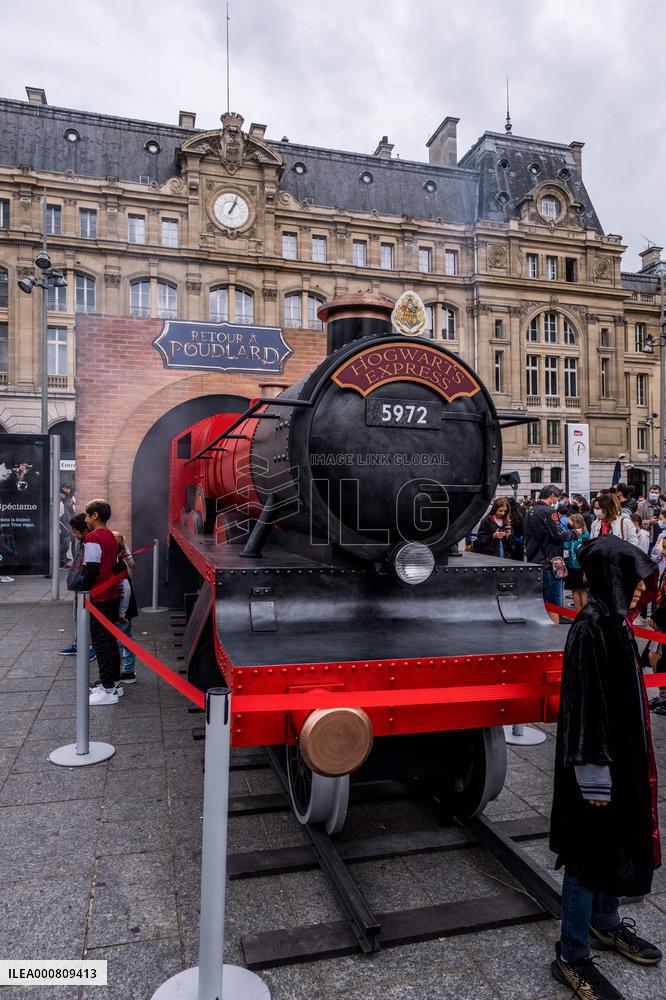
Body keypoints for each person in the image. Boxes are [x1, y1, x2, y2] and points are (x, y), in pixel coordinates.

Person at [550, 536, 662, 1000]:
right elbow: (583, 707)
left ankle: (606, 921)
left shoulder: (616, 624)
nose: (640, 590)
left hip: (623, 758)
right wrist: (594, 773)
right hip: (596, 765)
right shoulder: (591, 628)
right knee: (587, 853)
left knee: (616, 838)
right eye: (632, 580)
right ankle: (571, 953)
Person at [81, 498, 122, 706]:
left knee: (100, 642)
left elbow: (91, 567)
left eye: (87, 515)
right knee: (110, 639)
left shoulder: (92, 537)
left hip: (99, 595)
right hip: (112, 593)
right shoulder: (110, 536)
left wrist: (83, 588)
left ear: (95, 516)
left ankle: (107, 687)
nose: (86, 519)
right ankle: (114, 681)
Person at [524, 484, 577, 624]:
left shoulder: (531, 510)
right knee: (554, 602)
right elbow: (559, 534)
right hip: (550, 560)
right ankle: (553, 633)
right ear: (552, 495)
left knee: (541, 600)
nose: (557, 501)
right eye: (557, 498)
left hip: (534, 558)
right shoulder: (548, 511)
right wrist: (574, 533)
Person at [60, 513, 96, 661]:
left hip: (85, 586)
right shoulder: (82, 541)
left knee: (88, 617)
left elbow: (91, 567)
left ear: (85, 531)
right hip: (78, 584)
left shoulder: (90, 543)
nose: (73, 535)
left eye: (75, 532)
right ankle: (79, 644)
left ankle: (91, 647)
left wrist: (84, 584)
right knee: (77, 616)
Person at [113, 531, 138, 684]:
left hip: (122, 609)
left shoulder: (116, 565)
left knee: (119, 640)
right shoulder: (119, 561)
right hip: (126, 606)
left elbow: (125, 589)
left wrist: (121, 612)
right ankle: (128, 671)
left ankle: (119, 673)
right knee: (127, 638)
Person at [563, 513, 589, 612]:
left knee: (578, 590)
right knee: (579, 590)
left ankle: (580, 613)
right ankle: (581, 612)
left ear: (575, 522)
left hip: (576, 566)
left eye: (570, 521)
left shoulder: (572, 534)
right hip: (578, 566)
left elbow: (566, 549)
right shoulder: (585, 534)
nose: (569, 523)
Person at [636, 485, 666, 551]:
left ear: (659, 494)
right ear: (649, 493)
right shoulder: (642, 504)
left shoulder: (663, 504)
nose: (654, 494)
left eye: (656, 493)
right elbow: (636, 521)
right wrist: (649, 521)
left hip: (661, 534)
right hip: (648, 534)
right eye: (652, 492)